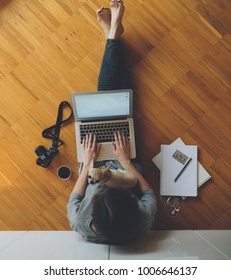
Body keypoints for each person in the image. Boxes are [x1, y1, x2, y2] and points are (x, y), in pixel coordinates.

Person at [67, 0, 157, 245]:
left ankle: (113, 34)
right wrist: (125, 161)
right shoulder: (141, 222)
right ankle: (112, 34)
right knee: (118, 101)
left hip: (92, 161)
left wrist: (87, 164)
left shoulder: (79, 223)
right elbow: (149, 194)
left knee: (111, 95)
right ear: (131, 206)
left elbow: (74, 199)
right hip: (125, 157)